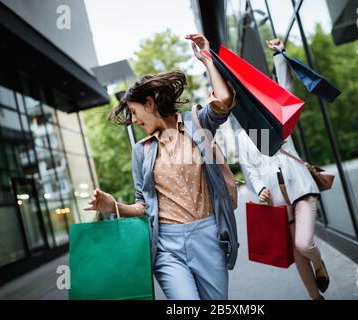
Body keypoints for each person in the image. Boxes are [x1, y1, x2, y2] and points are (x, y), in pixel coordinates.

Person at [84, 33, 239, 300]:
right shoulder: (141, 151)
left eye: (134, 112)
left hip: (208, 237)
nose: (133, 120)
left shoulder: (197, 125)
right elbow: (143, 205)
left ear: (150, 103)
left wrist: (206, 59)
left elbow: (224, 99)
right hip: (166, 247)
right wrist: (114, 206)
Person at [238, 38, 329, 300]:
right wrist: (261, 189)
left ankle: (320, 263)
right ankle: (316, 298)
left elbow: (286, 88)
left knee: (304, 244)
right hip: (278, 202)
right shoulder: (243, 137)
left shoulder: (275, 117)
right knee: (298, 255)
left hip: (301, 190)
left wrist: (279, 54)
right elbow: (252, 170)